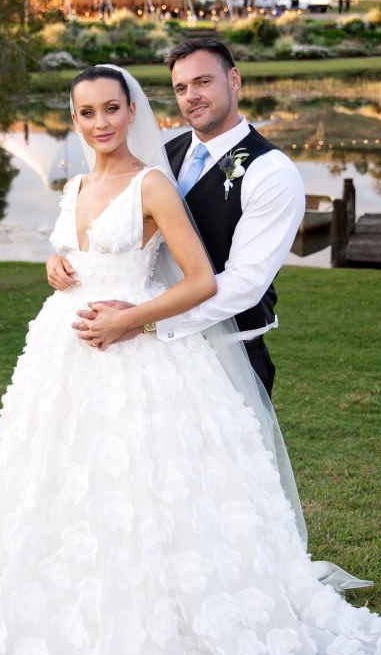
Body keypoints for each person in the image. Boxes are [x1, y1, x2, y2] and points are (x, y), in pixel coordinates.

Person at [0, 65, 381, 655]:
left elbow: (201, 278)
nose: (100, 123)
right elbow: (72, 254)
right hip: (62, 357)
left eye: (111, 108)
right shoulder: (79, 183)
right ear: (75, 118)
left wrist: (132, 319)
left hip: (137, 353)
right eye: (85, 112)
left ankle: (167, 617)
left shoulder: (152, 183)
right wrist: (55, 265)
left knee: (146, 487)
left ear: (131, 108)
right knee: (62, 484)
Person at [73, 39, 304, 397]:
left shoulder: (271, 172)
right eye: (181, 88)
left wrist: (145, 320)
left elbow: (245, 282)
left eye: (203, 82)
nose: (191, 95)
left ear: (234, 80)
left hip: (232, 350)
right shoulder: (166, 155)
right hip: (152, 353)